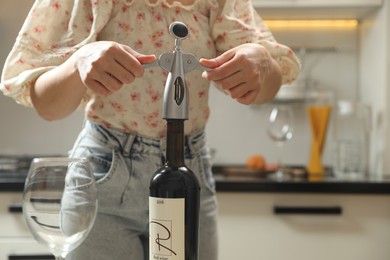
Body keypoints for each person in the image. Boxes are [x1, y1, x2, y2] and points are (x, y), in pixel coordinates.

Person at [1, 0, 300, 259]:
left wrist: (263, 62)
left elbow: (268, 84)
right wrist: (79, 61)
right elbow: (48, 107)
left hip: (190, 173)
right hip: (104, 178)